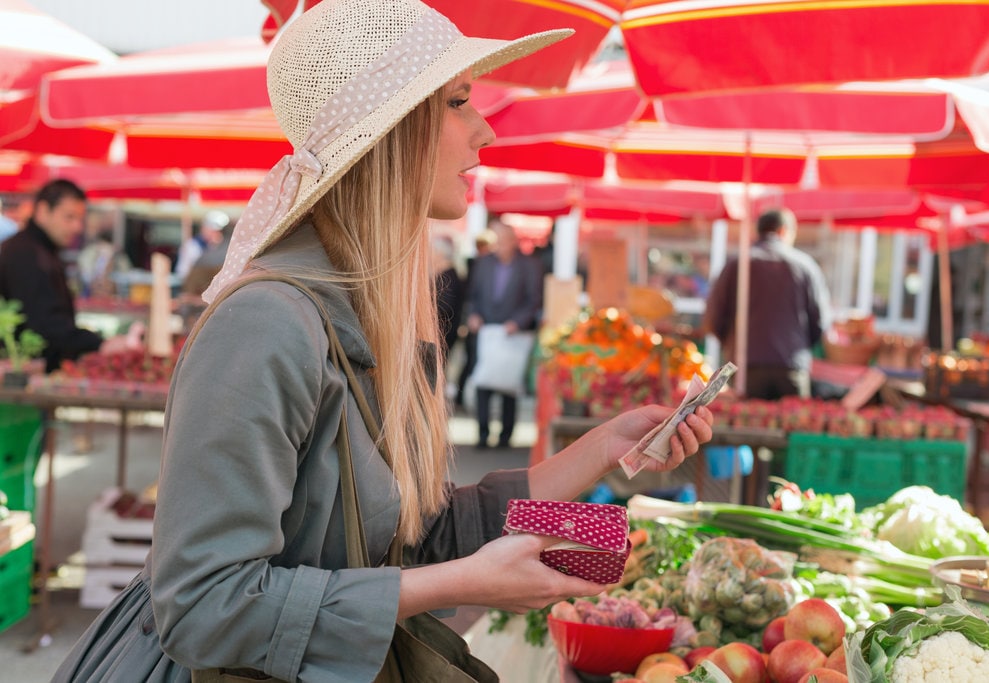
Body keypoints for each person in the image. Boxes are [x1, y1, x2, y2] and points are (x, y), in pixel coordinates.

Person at [53, 2, 714, 681]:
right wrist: (459, 584)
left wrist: (600, 451)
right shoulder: (266, 324)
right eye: (459, 101)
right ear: (391, 132)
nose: (484, 130)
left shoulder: (364, 310)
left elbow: (411, 530)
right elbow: (201, 607)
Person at [0, 179, 143, 373]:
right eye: (69, 217)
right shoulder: (26, 254)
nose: (77, 227)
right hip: (17, 377)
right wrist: (97, 344)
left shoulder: (39, 250)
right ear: (43, 211)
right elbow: (45, 325)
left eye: (80, 219)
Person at [704, 207, 832, 400]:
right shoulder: (806, 266)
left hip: (745, 365)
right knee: (792, 424)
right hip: (791, 365)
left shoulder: (737, 264)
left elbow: (714, 317)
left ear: (760, 231)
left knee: (747, 426)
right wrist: (799, 346)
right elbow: (820, 321)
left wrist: (732, 344)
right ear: (783, 231)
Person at [465, 219, 543, 449]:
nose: (498, 245)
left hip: (512, 333)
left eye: (502, 240)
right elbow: (473, 296)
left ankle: (505, 436)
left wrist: (517, 322)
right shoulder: (483, 264)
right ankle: (482, 433)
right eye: (495, 241)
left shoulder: (529, 265)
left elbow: (534, 300)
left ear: (513, 241)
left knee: (508, 385)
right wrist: (474, 315)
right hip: (486, 331)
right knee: (483, 383)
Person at [453, 227, 495, 408]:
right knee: (470, 360)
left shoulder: (484, 264)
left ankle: (462, 395)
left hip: (482, 320)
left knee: (473, 361)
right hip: (473, 320)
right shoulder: (474, 264)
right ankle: (460, 395)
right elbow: (469, 294)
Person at [432, 232, 463, 368]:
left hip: (442, 334)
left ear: (440, 254)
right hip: (441, 333)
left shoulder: (448, 277)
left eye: (432, 252)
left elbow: (444, 308)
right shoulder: (444, 275)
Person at [174, 209, 230, 281]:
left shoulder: (224, 246)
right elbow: (183, 272)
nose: (217, 234)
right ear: (204, 228)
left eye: (219, 231)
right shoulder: (192, 246)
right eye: (213, 230)